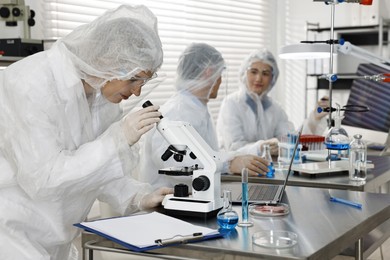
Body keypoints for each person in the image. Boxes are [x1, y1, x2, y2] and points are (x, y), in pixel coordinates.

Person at [0, 5, 174, 260]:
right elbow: (45, 178)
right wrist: (117, 140)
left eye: (143, 83)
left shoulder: (100, 96)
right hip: (13, 231)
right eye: (134, 79)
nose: (137, 92)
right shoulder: (31, 83)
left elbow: (95, 171)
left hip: (57, 237)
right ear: (107, 60)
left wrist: (139, 196)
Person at [138, 43, 270, 190]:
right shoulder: (176, 111)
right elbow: (176, 164)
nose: (220, 81)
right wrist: (229, 164)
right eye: (219, 75)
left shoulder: (197, 108)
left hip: (194, 199)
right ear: (209, 73)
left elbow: (209, 154)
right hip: (167, 205)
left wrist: (254, 150)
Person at [216, 48, 328, 156]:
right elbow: (233, 148)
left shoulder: (275, 108)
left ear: (272, 78)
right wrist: (260, 147)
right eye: (253, 72)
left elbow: (291, 140)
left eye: (265, 73)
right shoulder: (231, 104)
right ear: (244, 74)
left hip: (266, 170)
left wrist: (314, 119)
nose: (259, 78)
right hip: (236, 172)